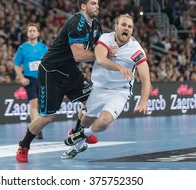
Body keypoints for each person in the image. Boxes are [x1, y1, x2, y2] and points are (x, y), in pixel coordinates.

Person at [16, 0, 105, 163]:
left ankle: (77, 133)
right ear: (83, 6)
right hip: (52, 72)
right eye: (93, 3)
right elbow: (79, 55)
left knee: (92, 103)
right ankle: (24, 145)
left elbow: (101, 48)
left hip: (70, 71)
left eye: (98, 3)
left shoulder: (96, 26)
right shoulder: (76, 22)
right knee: (47, 117)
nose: (97, 6)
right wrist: (102, 57)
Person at [62, 14, 151, 159]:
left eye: (129, 26)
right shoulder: (105, 39)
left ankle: (82, 135)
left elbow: (146, 79)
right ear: (116, 27)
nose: (126, 28)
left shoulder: (136, 50)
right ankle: (79, 146)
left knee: (103, 122)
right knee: (85, 121)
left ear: (132, 31)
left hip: (120, 91)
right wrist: (119, 67)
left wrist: (143, 101)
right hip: (99, 88)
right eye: (123, 25)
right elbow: (101, 60)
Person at [14, 23, 48, 140]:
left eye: (34, 30)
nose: (32, 32)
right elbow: (17, 65)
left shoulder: (44, 48)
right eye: (30, 31)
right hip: (30, 79)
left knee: (41, 105)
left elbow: (49, 63)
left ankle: (35, 126)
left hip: (42, 79)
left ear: (38, 33)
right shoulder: (22, 48)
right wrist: (22, 78)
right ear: (27, 34)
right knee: (33, 103)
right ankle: (36, 129)